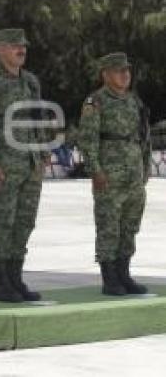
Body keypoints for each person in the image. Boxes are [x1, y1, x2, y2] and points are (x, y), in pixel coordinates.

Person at [0, 28, 48, 303]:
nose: (22, 50)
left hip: (30, 163)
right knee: (2, 222)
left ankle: (16, 278)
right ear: (0, 48)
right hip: (4, 163)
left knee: (24, 222)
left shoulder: (30, 81)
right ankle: (1, 282)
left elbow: (38, 119)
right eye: (15, 46)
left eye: (23, 46)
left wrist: (43, 152)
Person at [77, 52, 151, 296]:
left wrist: (145, 169)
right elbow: (87, 140)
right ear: (105, 75)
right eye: (119, 70)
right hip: (109, 176)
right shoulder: (95, 101)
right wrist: (95, 171)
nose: (125, 74)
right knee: (109, 226)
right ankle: (110, 279)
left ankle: (124, 274)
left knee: (130, 226)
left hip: (134, 176)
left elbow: (143, 136)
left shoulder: (134, 101)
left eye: (127, 70)